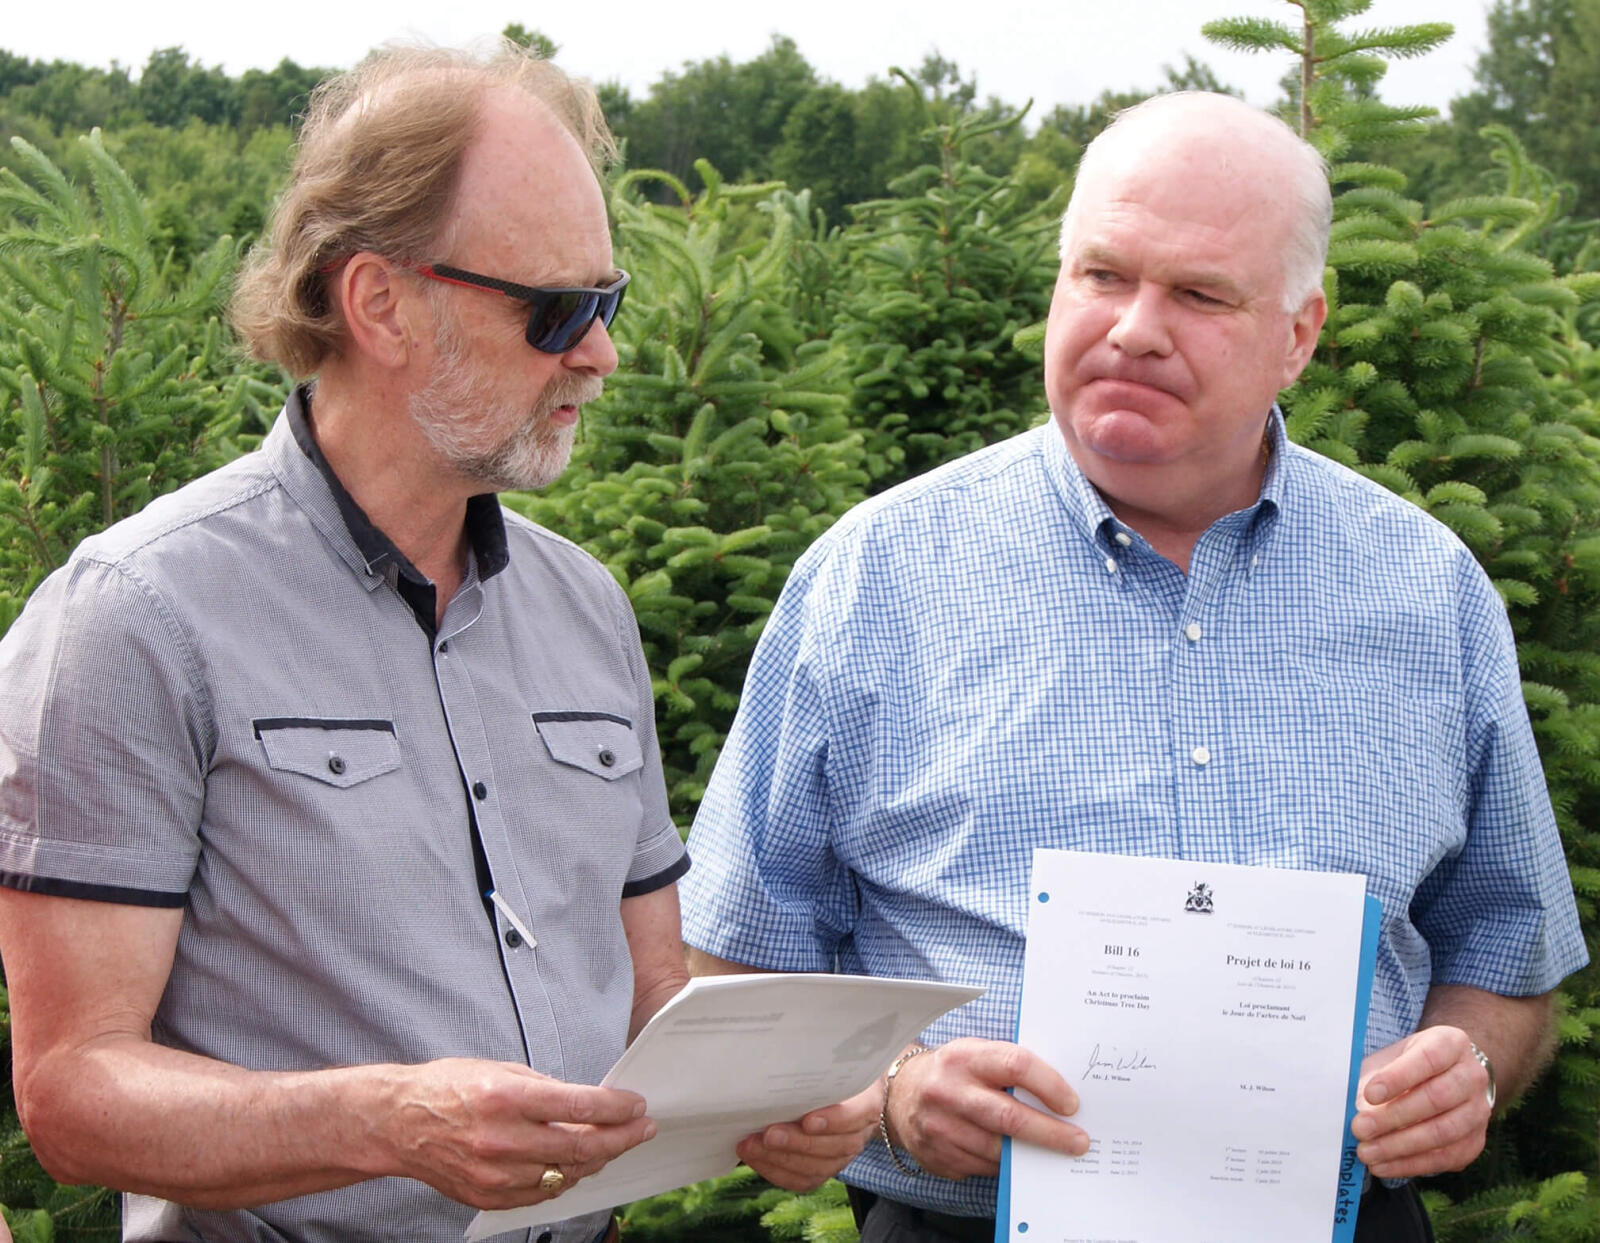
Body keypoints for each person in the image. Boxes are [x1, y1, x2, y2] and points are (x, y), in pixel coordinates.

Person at [679, 91, 1588, 1243]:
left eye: (1199, 294)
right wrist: (895, 1091)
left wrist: (1469, 1072)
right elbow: (739, 956)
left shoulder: (1426, 589)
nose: (1134, 328)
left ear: (1298, 333)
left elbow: (1508, 954)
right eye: (1103, 275)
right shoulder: (876, 577)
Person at [0, 43, 864, 1243]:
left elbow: (653, 994)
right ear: (381, 303)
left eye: (607, 303)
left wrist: (778, 1098)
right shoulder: (138, 614)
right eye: (556, 310)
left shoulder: (587, 610)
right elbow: (75, 1092)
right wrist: (385, 1121)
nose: (600, 354)